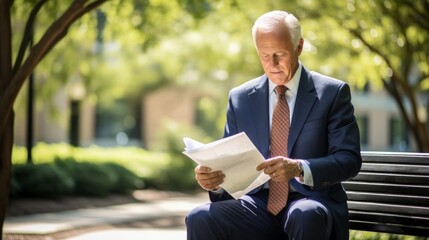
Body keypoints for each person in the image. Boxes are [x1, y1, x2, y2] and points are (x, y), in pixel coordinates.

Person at [186, 10, 362, 240]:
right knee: (200, 216)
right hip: (258, 205)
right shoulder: (240, 98)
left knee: (304, 213)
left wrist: (299, 168)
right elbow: (229, 165)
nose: (273, 64)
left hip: (311, 202)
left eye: (279, 54)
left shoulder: (332, 93)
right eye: (264, 55)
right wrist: (215, 182)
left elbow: (349, 159)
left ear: (299, 47)